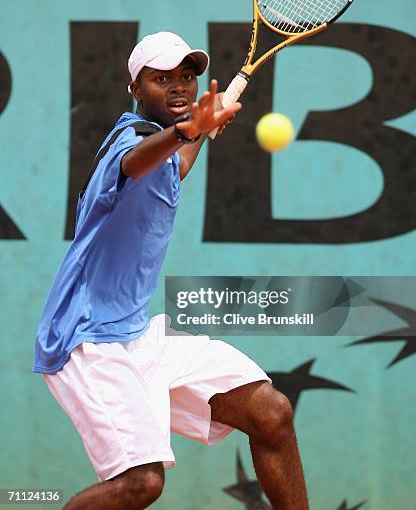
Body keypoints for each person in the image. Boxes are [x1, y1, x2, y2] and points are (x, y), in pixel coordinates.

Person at [33, 31, 309, 510]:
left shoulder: (168, 146)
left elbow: (173, 166)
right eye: (162, 79)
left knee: (271, 412)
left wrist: (197, 131)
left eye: (187, 77)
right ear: (136, 90)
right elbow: (138, 162)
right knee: (140, 484)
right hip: (88, 341)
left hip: (139, 334)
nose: (179, 86)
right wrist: (186, 130)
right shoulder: (128, 140)